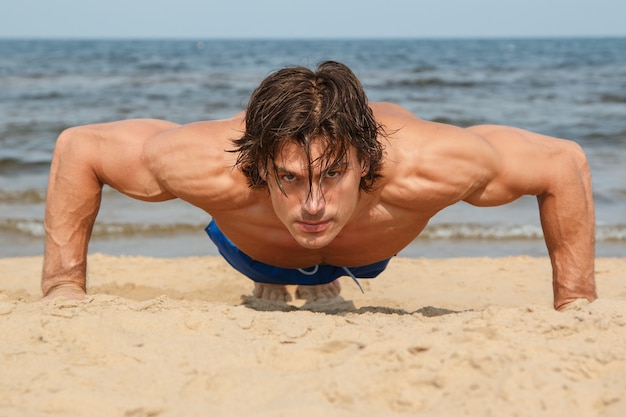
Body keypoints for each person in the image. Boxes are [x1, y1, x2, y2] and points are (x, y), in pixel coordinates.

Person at [41, 61, 597, 310]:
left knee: (322, 265)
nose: (313, 204)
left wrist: (574, 301)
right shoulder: (210, 165)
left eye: (333, 174)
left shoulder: (430, 163)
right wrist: (64, 288)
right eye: (289, 177)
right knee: (273, 268)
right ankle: (279, 277)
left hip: (367, 252)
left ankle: (320, 278)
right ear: (259, 168)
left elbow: (562, 164)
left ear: (368, 163)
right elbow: (79, 148)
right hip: (252, 246)